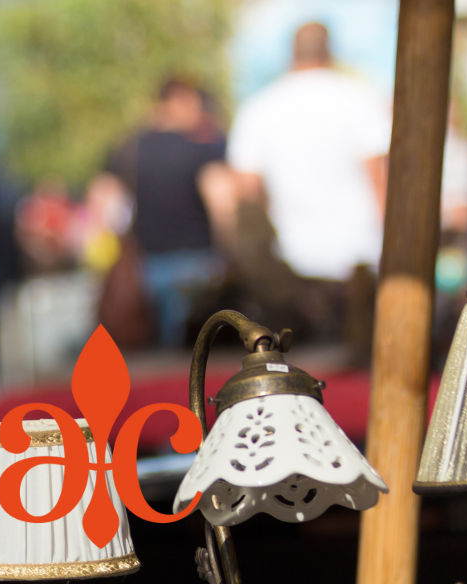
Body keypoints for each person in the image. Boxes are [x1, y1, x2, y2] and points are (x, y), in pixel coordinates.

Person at [227, 23, 390, 346]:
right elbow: (380, 178)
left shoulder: (259, 107)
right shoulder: (360, 98)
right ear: (330, 50)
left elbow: (246, 192)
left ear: (291, 52)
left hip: (288, 263)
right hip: (359, 257)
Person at [95, 79, 228, 347]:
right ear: (179, 103)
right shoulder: (201, 149)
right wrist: (228, 249)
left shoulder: (128, 149)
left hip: (146, 266)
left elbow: (103, 203)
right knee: (197, 354)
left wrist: (122, 245)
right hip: (198, 265)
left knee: (158, 354)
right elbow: (221, 202)